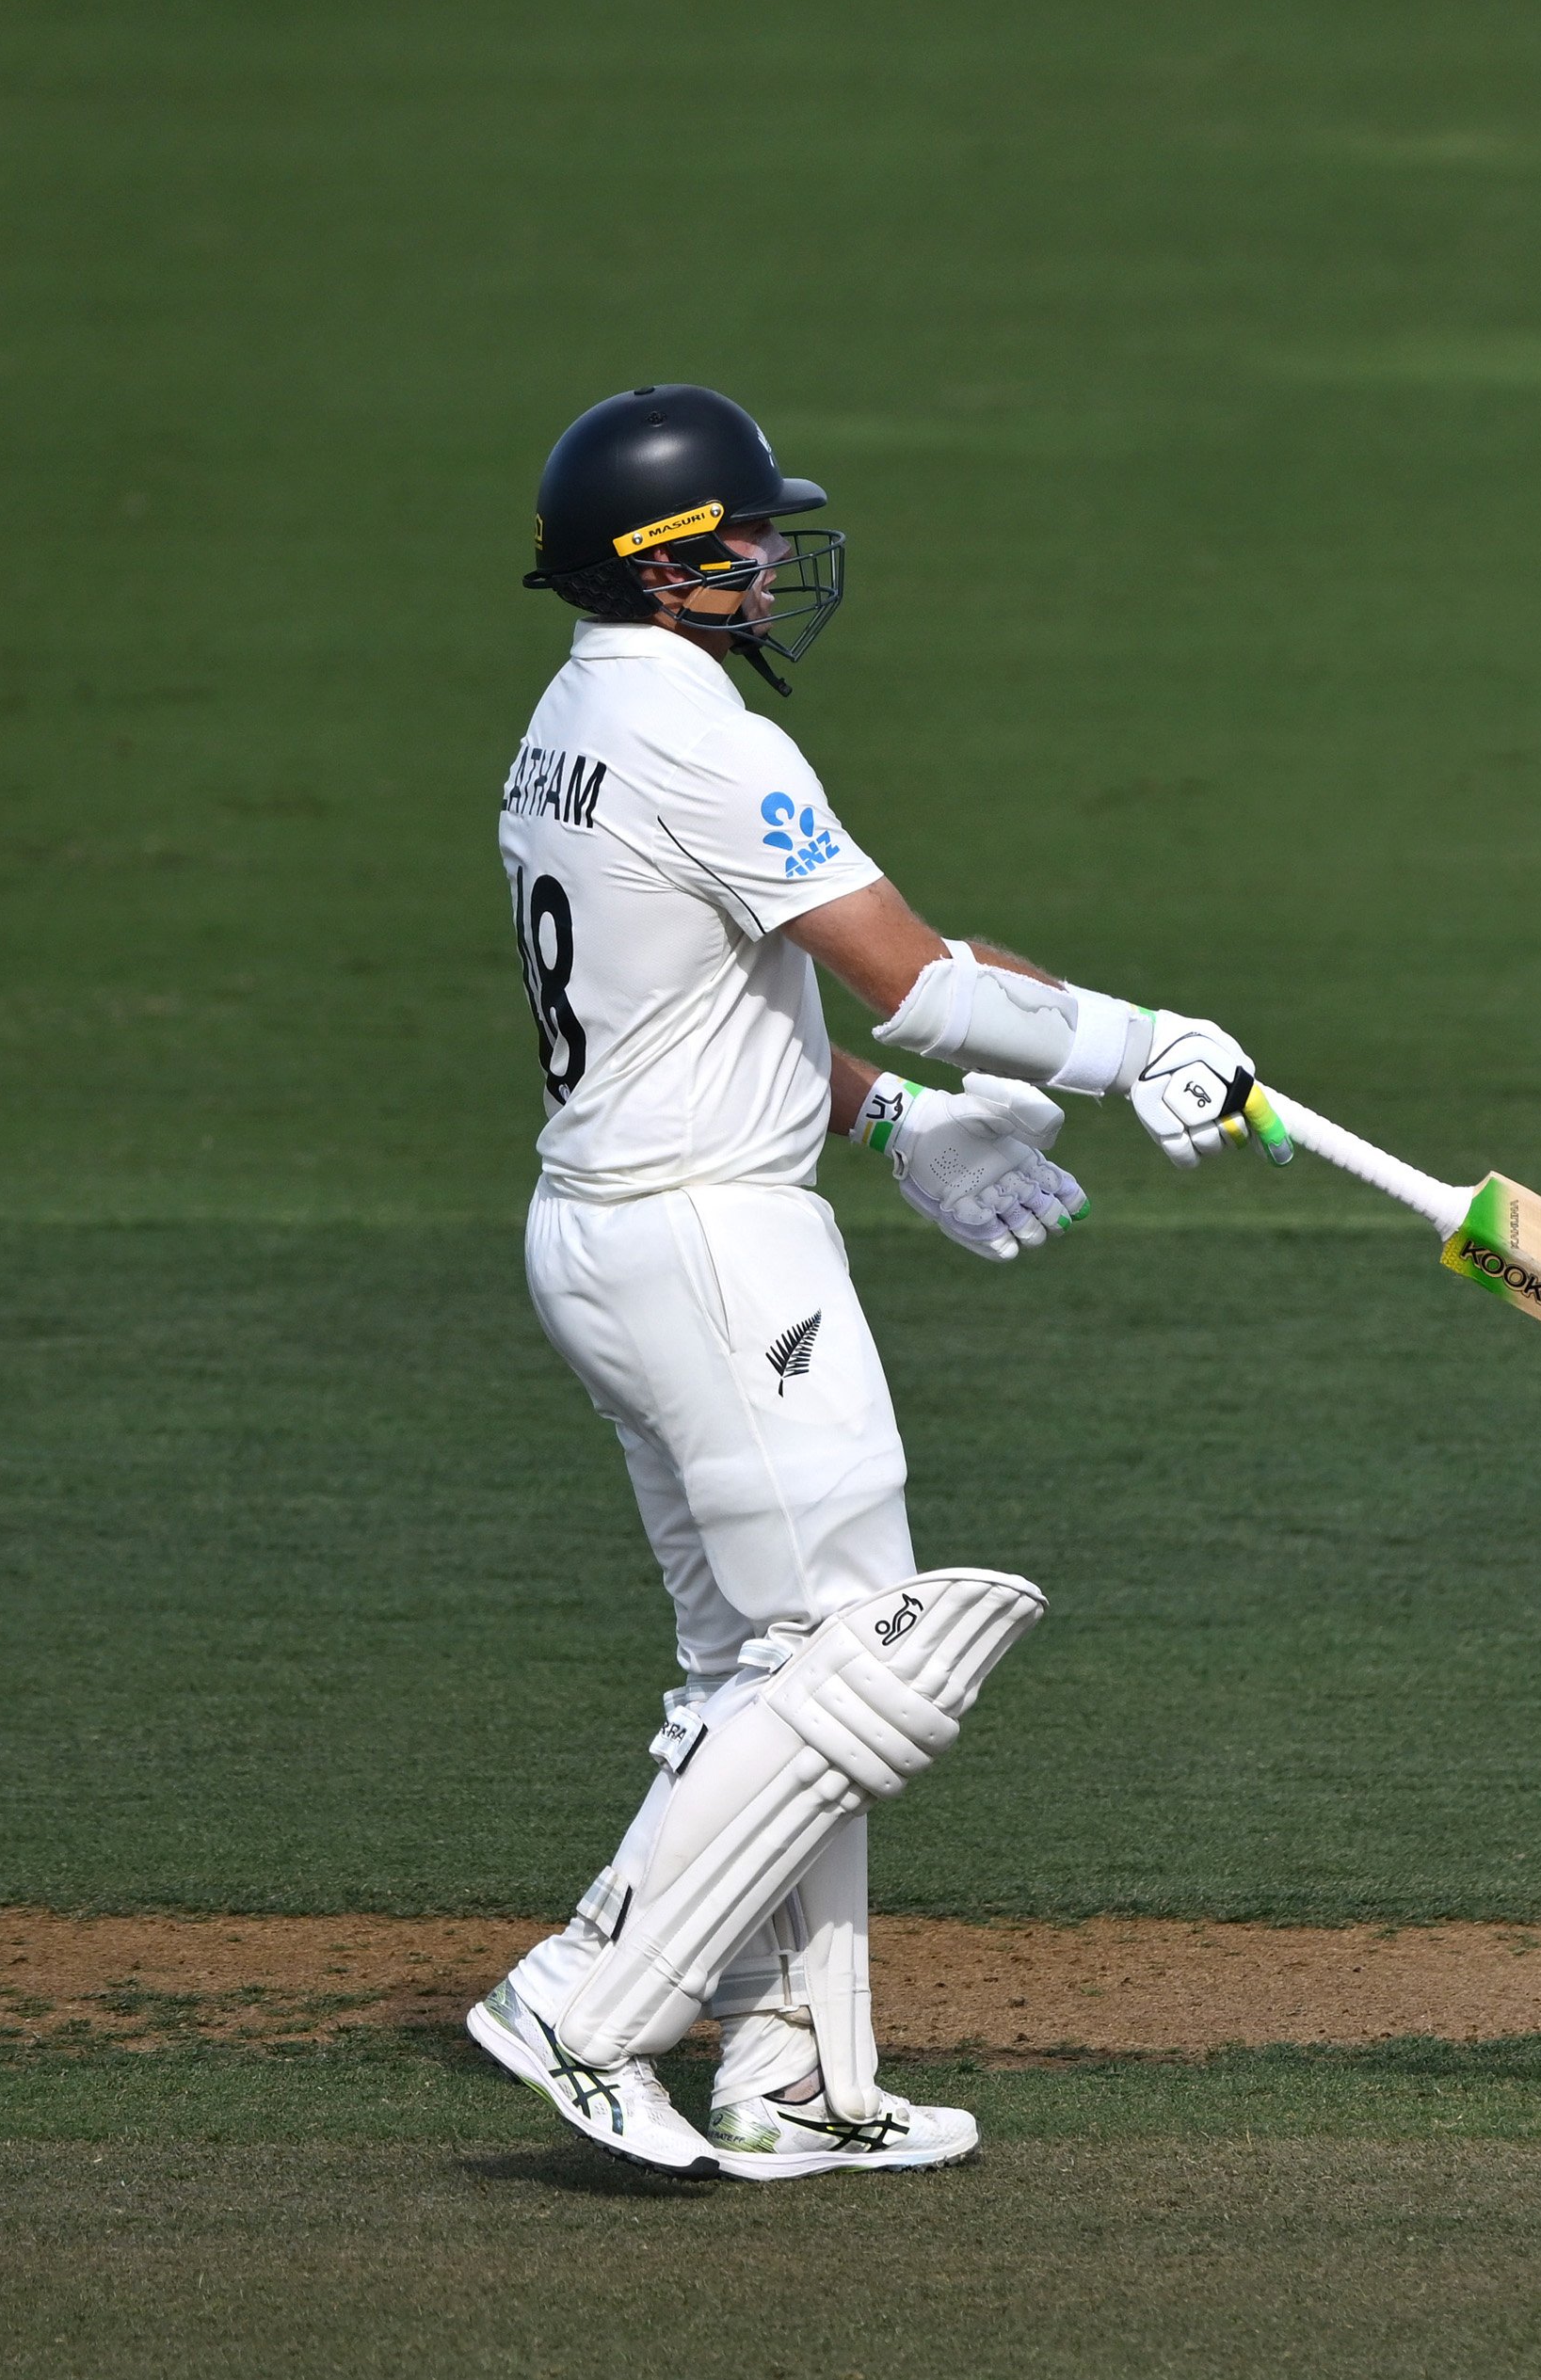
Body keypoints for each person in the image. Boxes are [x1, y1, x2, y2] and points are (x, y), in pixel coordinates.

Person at [472, 384, 1286, 2179]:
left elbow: (714, 1005)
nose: (774, 562)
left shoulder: (575, 716)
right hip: (711, 1241)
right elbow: (911, 972)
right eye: (747, 538)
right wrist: (1140, 1042)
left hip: (618, 1224)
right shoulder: (703, 737)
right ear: (668, 560)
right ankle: (587, 1999)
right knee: (865, 1657)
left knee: (761, 1673)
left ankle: (796, 2072)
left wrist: (895, 1119)